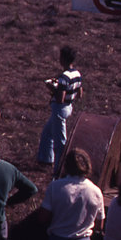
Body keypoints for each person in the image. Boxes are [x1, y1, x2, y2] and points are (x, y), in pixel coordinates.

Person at [38, 148, 104, 240]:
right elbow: (100, 225)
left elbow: (43, 218)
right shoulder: (96, 191)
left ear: (66, 165)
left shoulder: (55, 186)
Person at [38, 46, 82, 176]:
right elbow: (80, 93)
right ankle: (45, 159)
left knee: (60, 142)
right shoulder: (77, 74)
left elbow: (60, 98)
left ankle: (59, 169)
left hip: (60, 109)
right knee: (47, 134)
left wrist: (52, 88)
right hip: (69, 106)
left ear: (63, 59)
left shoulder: (64, 77)